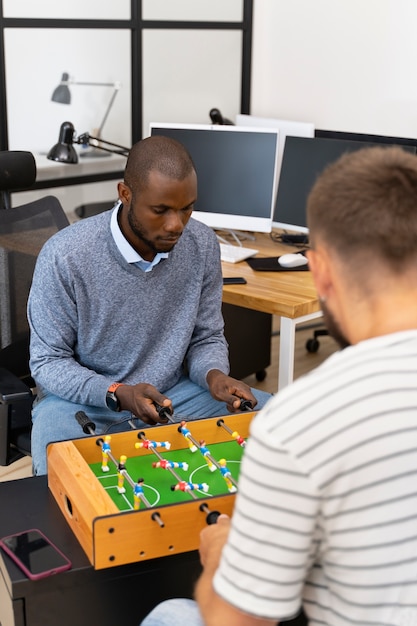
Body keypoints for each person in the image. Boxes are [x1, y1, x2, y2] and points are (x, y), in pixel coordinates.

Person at [139, 145, 417, 626]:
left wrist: (219, 555)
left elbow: (236, 620)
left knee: (169, 614)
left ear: (321, 271)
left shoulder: (299, 423)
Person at [28, 135, 271, 476]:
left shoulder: (201, 244)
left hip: (173, 395)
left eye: (187, 208)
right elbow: (48, 362)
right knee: (62, 482)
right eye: (161, 210)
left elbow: (206, 337)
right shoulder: (65, 256)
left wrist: (215, 375)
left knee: (278, 424)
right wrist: (117, 392)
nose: (177, 225)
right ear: (125, 194)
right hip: (81, 404)